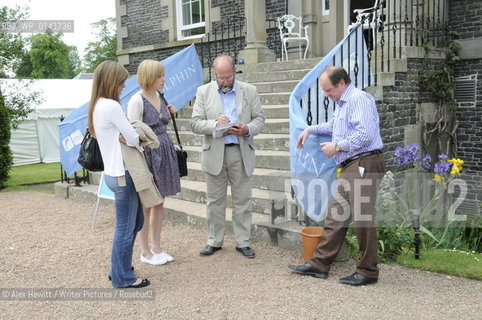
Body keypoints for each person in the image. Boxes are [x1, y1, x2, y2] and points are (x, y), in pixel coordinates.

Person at [289, 66, 386, 286]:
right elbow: (334, 126)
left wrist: (337, 147)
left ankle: (368, 271)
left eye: (329, 90)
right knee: (336, 215)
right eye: (324, 91)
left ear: (342, 83)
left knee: (362, 218)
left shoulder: (359, 100)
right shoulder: (342, 103)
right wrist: (310, 130)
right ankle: (319, 264)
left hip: (365, 162)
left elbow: (365, 134)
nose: (326, 95)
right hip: (353, 163)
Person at [190, 55, 265, 258]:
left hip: (240, 152)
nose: (225, 81)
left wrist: (247, 128)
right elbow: (195, 123)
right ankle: (214, 241)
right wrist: (215, 123)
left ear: (234, 72)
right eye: (221, 77)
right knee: (215, 201)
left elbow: (260, 119)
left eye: (229, 77)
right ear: (214, 74)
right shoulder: (203, 92)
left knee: (243, 200)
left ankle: (243, 242)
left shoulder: (249, 90)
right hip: (215, 152)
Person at [88, 60, 149, 288]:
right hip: (124, 174)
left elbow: (126, 135)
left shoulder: (97, 105)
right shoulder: (111, 106)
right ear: (113, 82)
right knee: (126, 227)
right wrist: (131, 135)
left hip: (114, 174)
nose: (124, 85)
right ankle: (122, 277)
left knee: (135, 223)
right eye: (122, 81)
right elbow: (133, 138)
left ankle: (120, 268)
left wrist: (127, 135)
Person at [127, 59, 180, 266]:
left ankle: (157, 248)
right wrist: (141, 167)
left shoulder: (160, 95)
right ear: (150, 77)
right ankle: (145, 251)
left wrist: (171, 113)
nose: (164, 79)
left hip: (164, 151)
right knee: (147, 204)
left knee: (159, 202)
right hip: (148, 154)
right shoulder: (136, 100)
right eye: (160, 76)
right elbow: (132, 135)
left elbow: (162, 122)